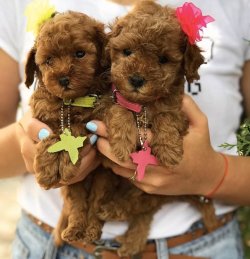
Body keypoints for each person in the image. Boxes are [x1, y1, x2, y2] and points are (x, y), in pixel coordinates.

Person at [0, 0, 249, 258]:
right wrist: (24, 143)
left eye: (163, 60)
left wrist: (215, 174)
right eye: (126, 53)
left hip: (204, 245)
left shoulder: (237, 6)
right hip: (47, 244)